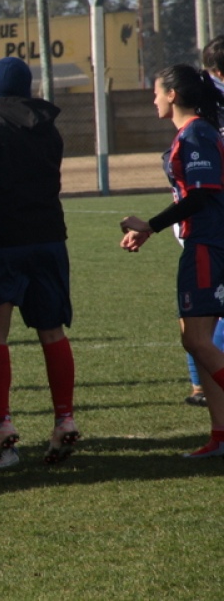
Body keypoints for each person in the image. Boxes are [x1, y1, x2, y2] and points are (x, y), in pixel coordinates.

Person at [0, 57, 78, 468]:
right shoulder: (48, 126)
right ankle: (64, 418)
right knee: (52, 331)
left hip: (3, 242)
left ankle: (1, 422)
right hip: (50, 237)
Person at [120, 63, 224, 460]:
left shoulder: (196, 133)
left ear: (174, 95)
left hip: (206, 245)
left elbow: (200, 196)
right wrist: (151, 228)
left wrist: (152, 224)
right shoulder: (194, 133)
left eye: (157, 91)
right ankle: (220, 435)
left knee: (196, 340)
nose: (153, 98)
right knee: (199, 344)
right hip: (206, 241)